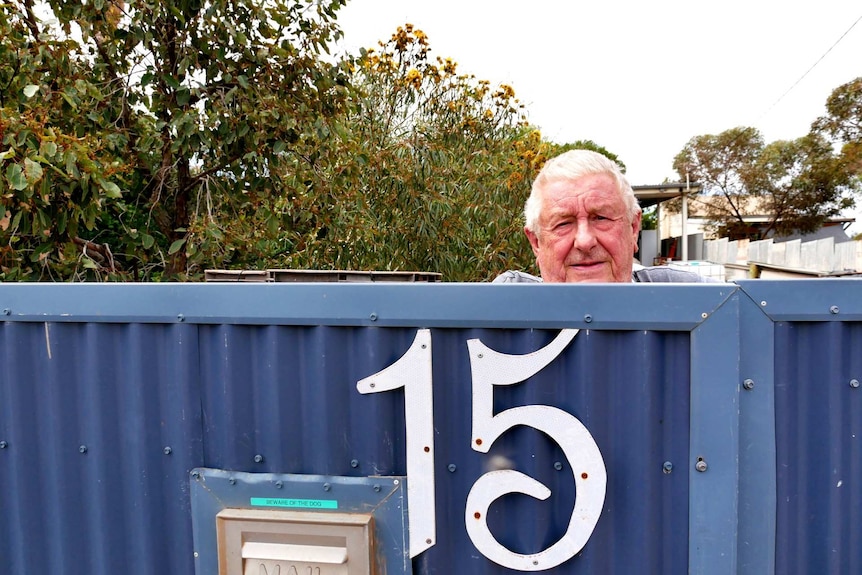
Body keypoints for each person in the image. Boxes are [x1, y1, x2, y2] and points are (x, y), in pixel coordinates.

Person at [494, 149, 713, 283]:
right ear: (536, 242)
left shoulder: (694, 300)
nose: (585, 241)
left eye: (601, 218)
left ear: (633, 228)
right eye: (563, 223)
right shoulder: (499, 313)